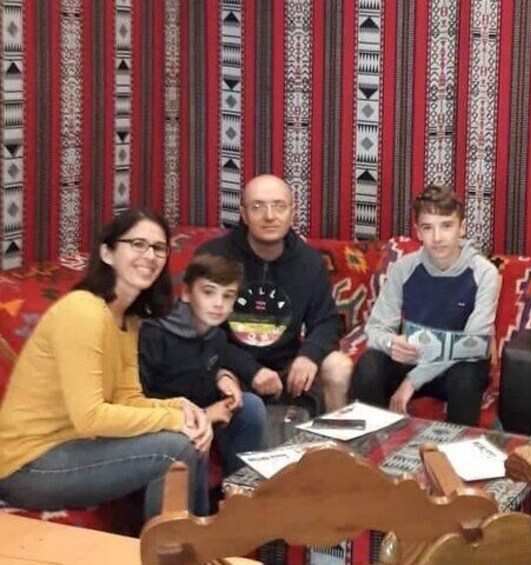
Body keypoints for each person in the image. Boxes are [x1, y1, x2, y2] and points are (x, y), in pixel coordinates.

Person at [0, 209, 212, 519]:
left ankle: (195, 547)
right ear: (107, 252)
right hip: (25, 465)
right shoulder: (83, 312)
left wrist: (180, 408)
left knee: (191, 436)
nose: (149, 255)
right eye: (137, 244)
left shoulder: (128, 319)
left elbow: (128, 399)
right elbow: (90, 417)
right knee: (175, 449)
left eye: (158, 248)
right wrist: (171, 420)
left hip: (71, 447)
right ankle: (166, 555)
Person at [197, 174, 353, 412]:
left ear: (292, 212)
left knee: (338, 366)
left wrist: (309, 356)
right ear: (244, 214)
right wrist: (251, 370)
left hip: (287, 366)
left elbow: (327, 322)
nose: (269, 216)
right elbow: (203, 331)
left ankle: (335, 448)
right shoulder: (214, 257)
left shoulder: (309, 261)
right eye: (257, 206)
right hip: (229, 364)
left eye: (279, 206)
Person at [350, 185, 500, 426]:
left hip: (456, 366)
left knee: (467, 373)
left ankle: (454, 456)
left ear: (461, 228)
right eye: (428, 227)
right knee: (369, 364)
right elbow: (376, 330)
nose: (437, 237)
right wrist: (391, 343)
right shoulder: (404, 268)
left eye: (446, 226)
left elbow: (473, 344)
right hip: (413, 357)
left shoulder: (484, 273)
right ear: (418, 231)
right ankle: (368, 448)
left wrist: (412, 381)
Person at [139, 254, 268, 475]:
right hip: (165, 425)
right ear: (187, 293)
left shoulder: (215, 336)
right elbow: (139, 400)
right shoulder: (156, 335)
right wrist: (205, 414)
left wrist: (224, 378)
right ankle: (196, 509)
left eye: (228, 296)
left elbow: (209, 366)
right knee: (194, 440)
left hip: (203, 413)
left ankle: (243, 492)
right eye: (208, 292)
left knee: (251, 405)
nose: (219, 304)